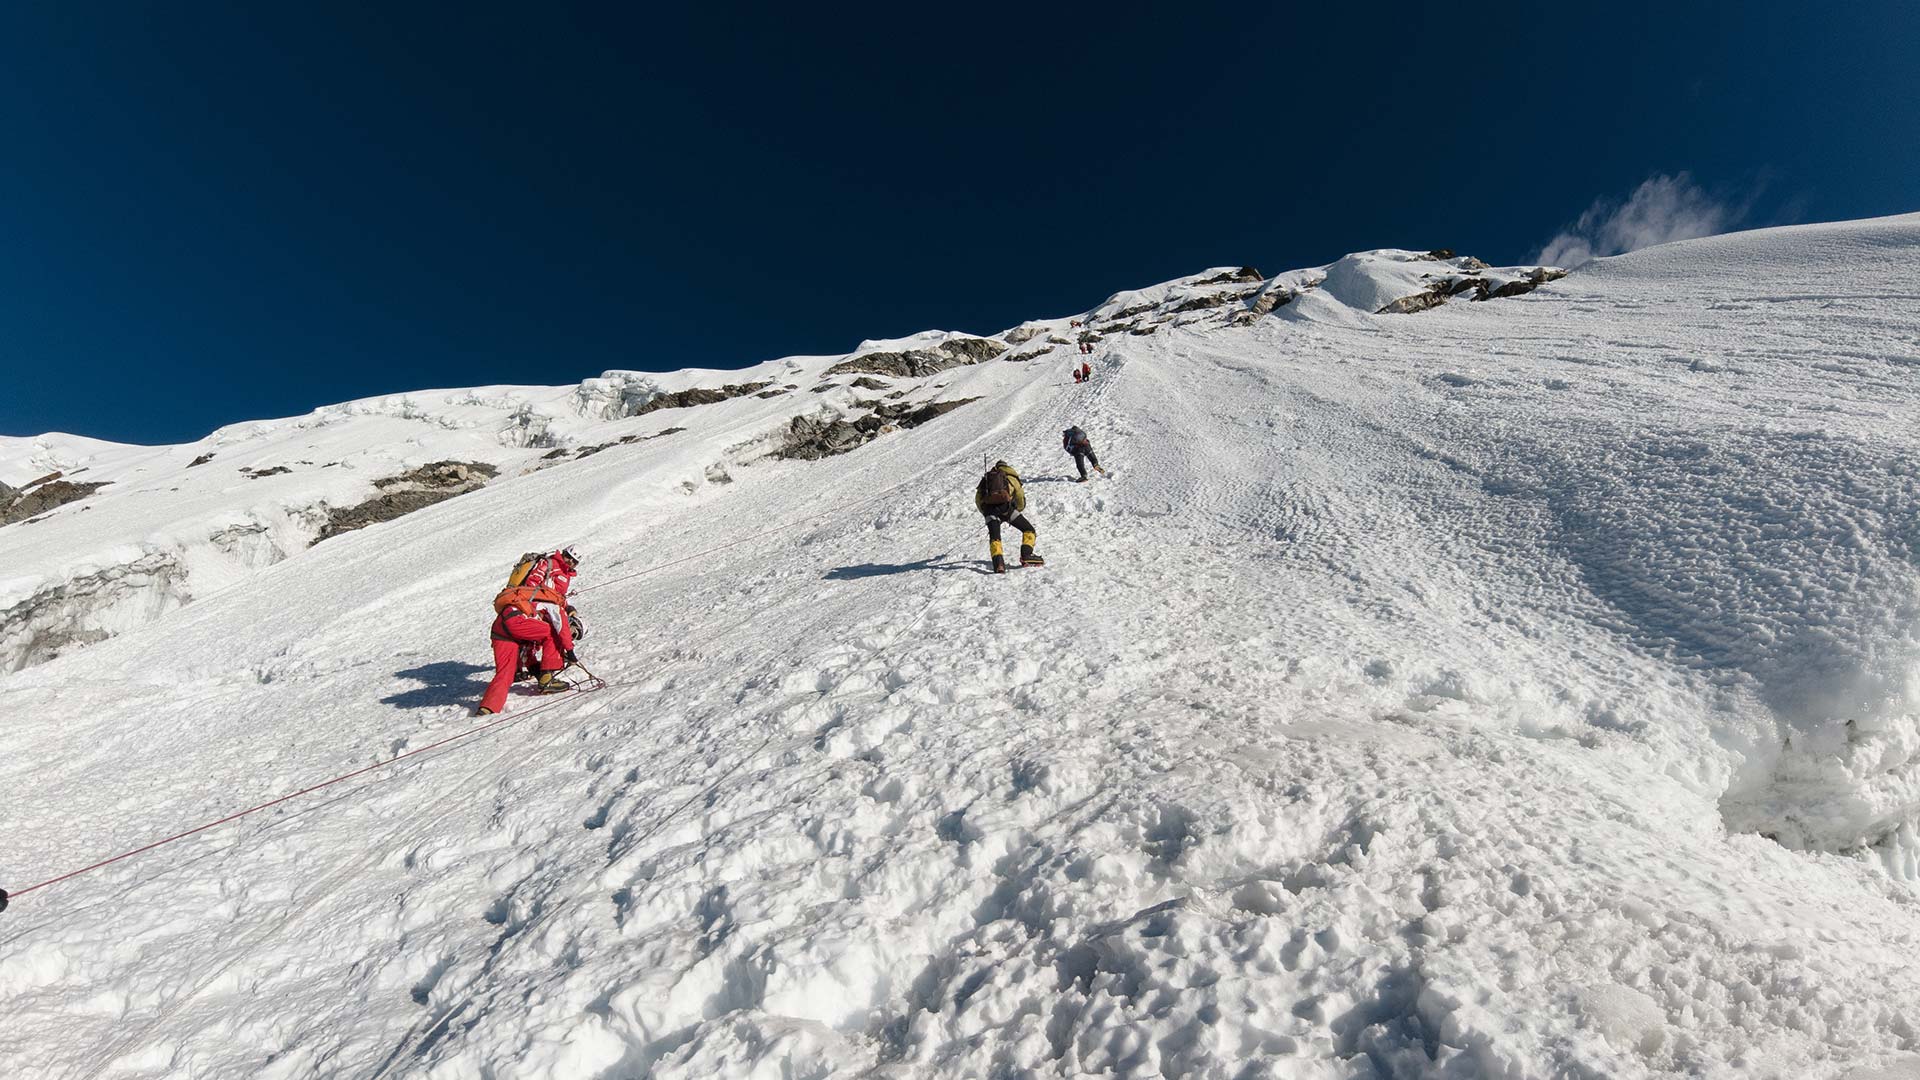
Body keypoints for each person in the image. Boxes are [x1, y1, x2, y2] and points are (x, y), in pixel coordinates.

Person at [478, 547, 582, 715]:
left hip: (501, 626)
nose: (570, 562)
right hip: (517, 621)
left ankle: (487, 708)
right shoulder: (552, 602)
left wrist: (534, 669)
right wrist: (570, 652)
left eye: (574, 561)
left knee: (505, 673)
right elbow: (561, 628)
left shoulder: (534, 599)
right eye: (568, 557)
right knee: (552, 633)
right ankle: (547, 679)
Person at [974, 461, 1044, 573]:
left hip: (990, 512)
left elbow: (978, 499)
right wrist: (1018, 510)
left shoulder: (987, 479)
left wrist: (986, 514)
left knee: (995, 538)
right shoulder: (1011, 477)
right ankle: (1026, 554)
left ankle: (999, 564)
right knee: (1028, 529)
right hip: (1007, 510)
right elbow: (1020, 497)